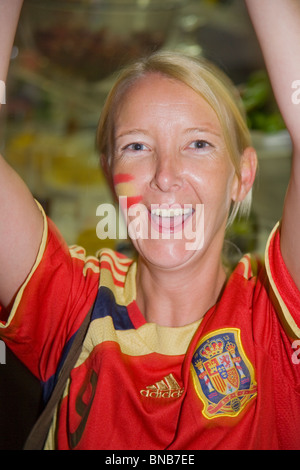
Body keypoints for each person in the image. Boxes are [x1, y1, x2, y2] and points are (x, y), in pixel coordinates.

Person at [1, 0, 300, 450]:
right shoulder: (74, 306)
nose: (165, 175)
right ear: (109, 172)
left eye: (198, 144)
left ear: (243, 177)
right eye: (137, 146)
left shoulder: (275, 324)